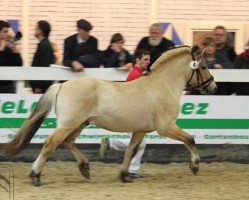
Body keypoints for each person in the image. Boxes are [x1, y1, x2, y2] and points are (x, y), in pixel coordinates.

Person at [99, 49, 150, 179]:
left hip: (133, 112)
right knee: (139, 143)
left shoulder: (137, 73)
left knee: (140, 142)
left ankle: (131, 168)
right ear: (137, 60)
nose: (148, 62)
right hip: (133, 113)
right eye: (145, 59)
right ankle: (112, 144)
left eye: (149, 59)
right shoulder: (136, 75)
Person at [29, 20, 55, 94]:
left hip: (40, 89)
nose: (34, 30)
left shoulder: (44, 46)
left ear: (40, 31)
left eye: (36, 28)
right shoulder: (43, 45)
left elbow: (45, 66)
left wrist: (39, 86)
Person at [213, 25, 237, 95]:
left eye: (221, 35)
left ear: (225, 37)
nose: (218, 37)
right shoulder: (206, 52)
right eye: (216, 34)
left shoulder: (231, 52)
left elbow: (235, 69)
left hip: (227, 91)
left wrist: (222, 67)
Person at [0, 20, 22, 93]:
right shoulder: (3, 47)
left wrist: (15, 49)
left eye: (8, 31)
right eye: (5, 32)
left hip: (8, 86)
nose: (7, 34)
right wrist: (2, 47)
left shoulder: (8, 48)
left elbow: (19, 64)